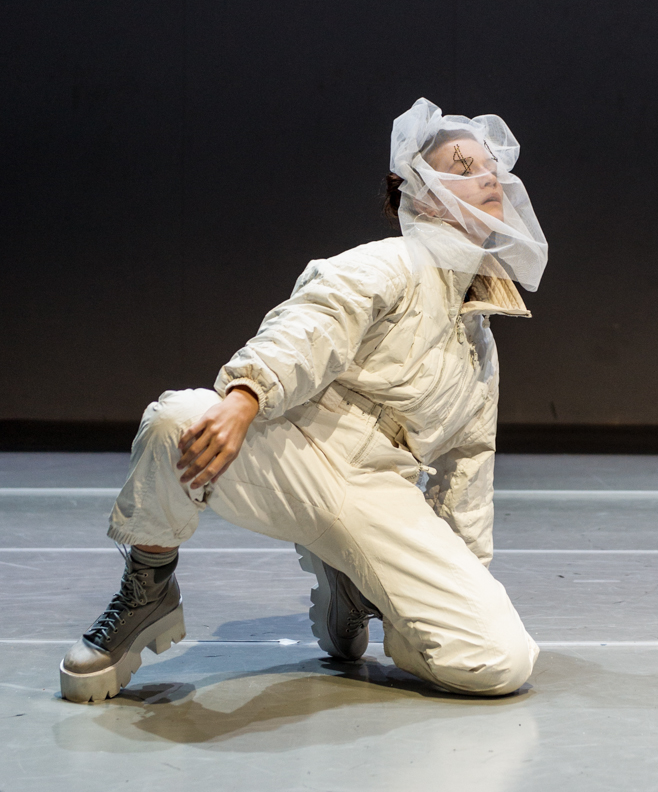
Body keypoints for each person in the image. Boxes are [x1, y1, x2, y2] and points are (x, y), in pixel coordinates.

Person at [60, 97, 548, 704]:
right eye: (463, 166)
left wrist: (463, 576)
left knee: (501, 662)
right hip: (300, 455)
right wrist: (246, 395)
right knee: (177, 420)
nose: (489, 178)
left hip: (384, 493)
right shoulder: (388, 264)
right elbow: (313, 326)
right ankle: (149, 590)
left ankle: (356, 585)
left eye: (491, 167)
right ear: (422, 195)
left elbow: (467, 467)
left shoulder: (479, 336)